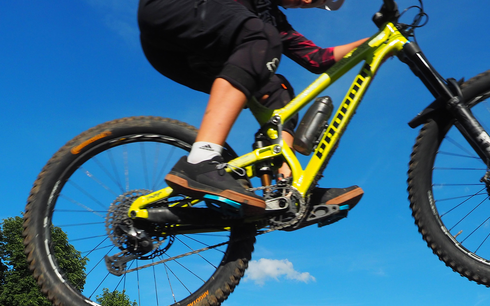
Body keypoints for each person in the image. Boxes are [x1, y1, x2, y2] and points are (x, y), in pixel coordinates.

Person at [137, 0, 367, 214]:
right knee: (261, 37)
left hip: (200, 55)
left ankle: (289, 190)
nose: (307, 2)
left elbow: (317, 59)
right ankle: (201, 160)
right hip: (172, 11)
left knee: (278, 89)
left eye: (315, 3)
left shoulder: (272, 20)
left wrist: (376, 41)